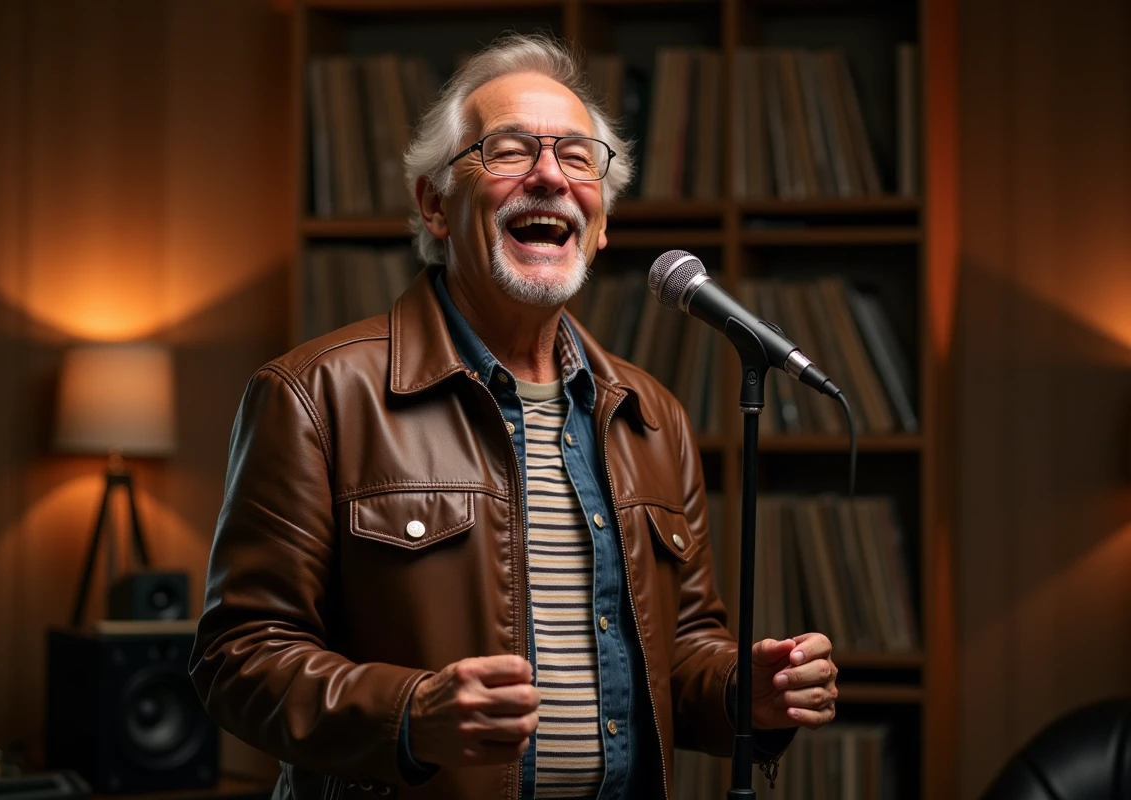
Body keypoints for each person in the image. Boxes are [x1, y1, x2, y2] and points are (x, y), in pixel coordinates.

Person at [191, 33, 837, 800]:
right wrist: (411, 715)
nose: (549, 176)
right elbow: (239, 657)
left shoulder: (652, 415)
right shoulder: (315, 394)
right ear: (435, 205)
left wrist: (743, 692)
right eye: (507, 150)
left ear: (601, 222)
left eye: (577, 157)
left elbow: (680, 652)